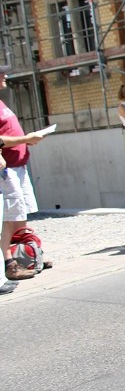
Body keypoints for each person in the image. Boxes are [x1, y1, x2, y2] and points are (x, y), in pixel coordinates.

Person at [0, 65, 46, 283]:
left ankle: (28, 256)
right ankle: (10, 263)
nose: (5, 76)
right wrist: (26, 139)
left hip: (17, 165)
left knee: (20, 214)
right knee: (9, 216)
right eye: (1, 73)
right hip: (6, 168)